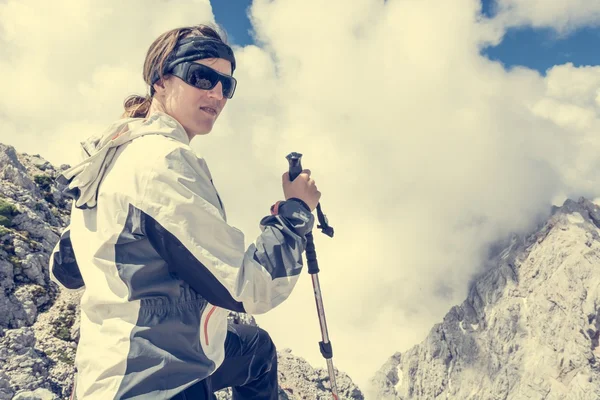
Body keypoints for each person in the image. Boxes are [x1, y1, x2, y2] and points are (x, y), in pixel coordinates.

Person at [48, 24, 321, 400]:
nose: (217, 94)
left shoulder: (111, 154)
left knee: (255, 349)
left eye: (227, 85)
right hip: (156, 380)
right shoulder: (162, 162)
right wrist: (295, 214)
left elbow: (65, 269)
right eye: (201, 77)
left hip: (112, 367)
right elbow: (250, 290)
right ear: (160, 79)